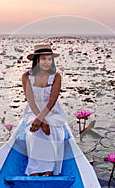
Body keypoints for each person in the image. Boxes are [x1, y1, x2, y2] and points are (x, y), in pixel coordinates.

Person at [21, 43, 67, 176]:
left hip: (52, 111)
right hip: (33, 110)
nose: (47, 62)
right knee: (35, 131)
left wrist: (44, 118)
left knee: (50, 131)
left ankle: (49, 168)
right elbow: (30, 100)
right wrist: (39, 119)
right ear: (37, 60)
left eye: (49, 59)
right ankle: (35, 169)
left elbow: (52, 100)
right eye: (43, 59)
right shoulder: (26, 76)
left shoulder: (56, 76)